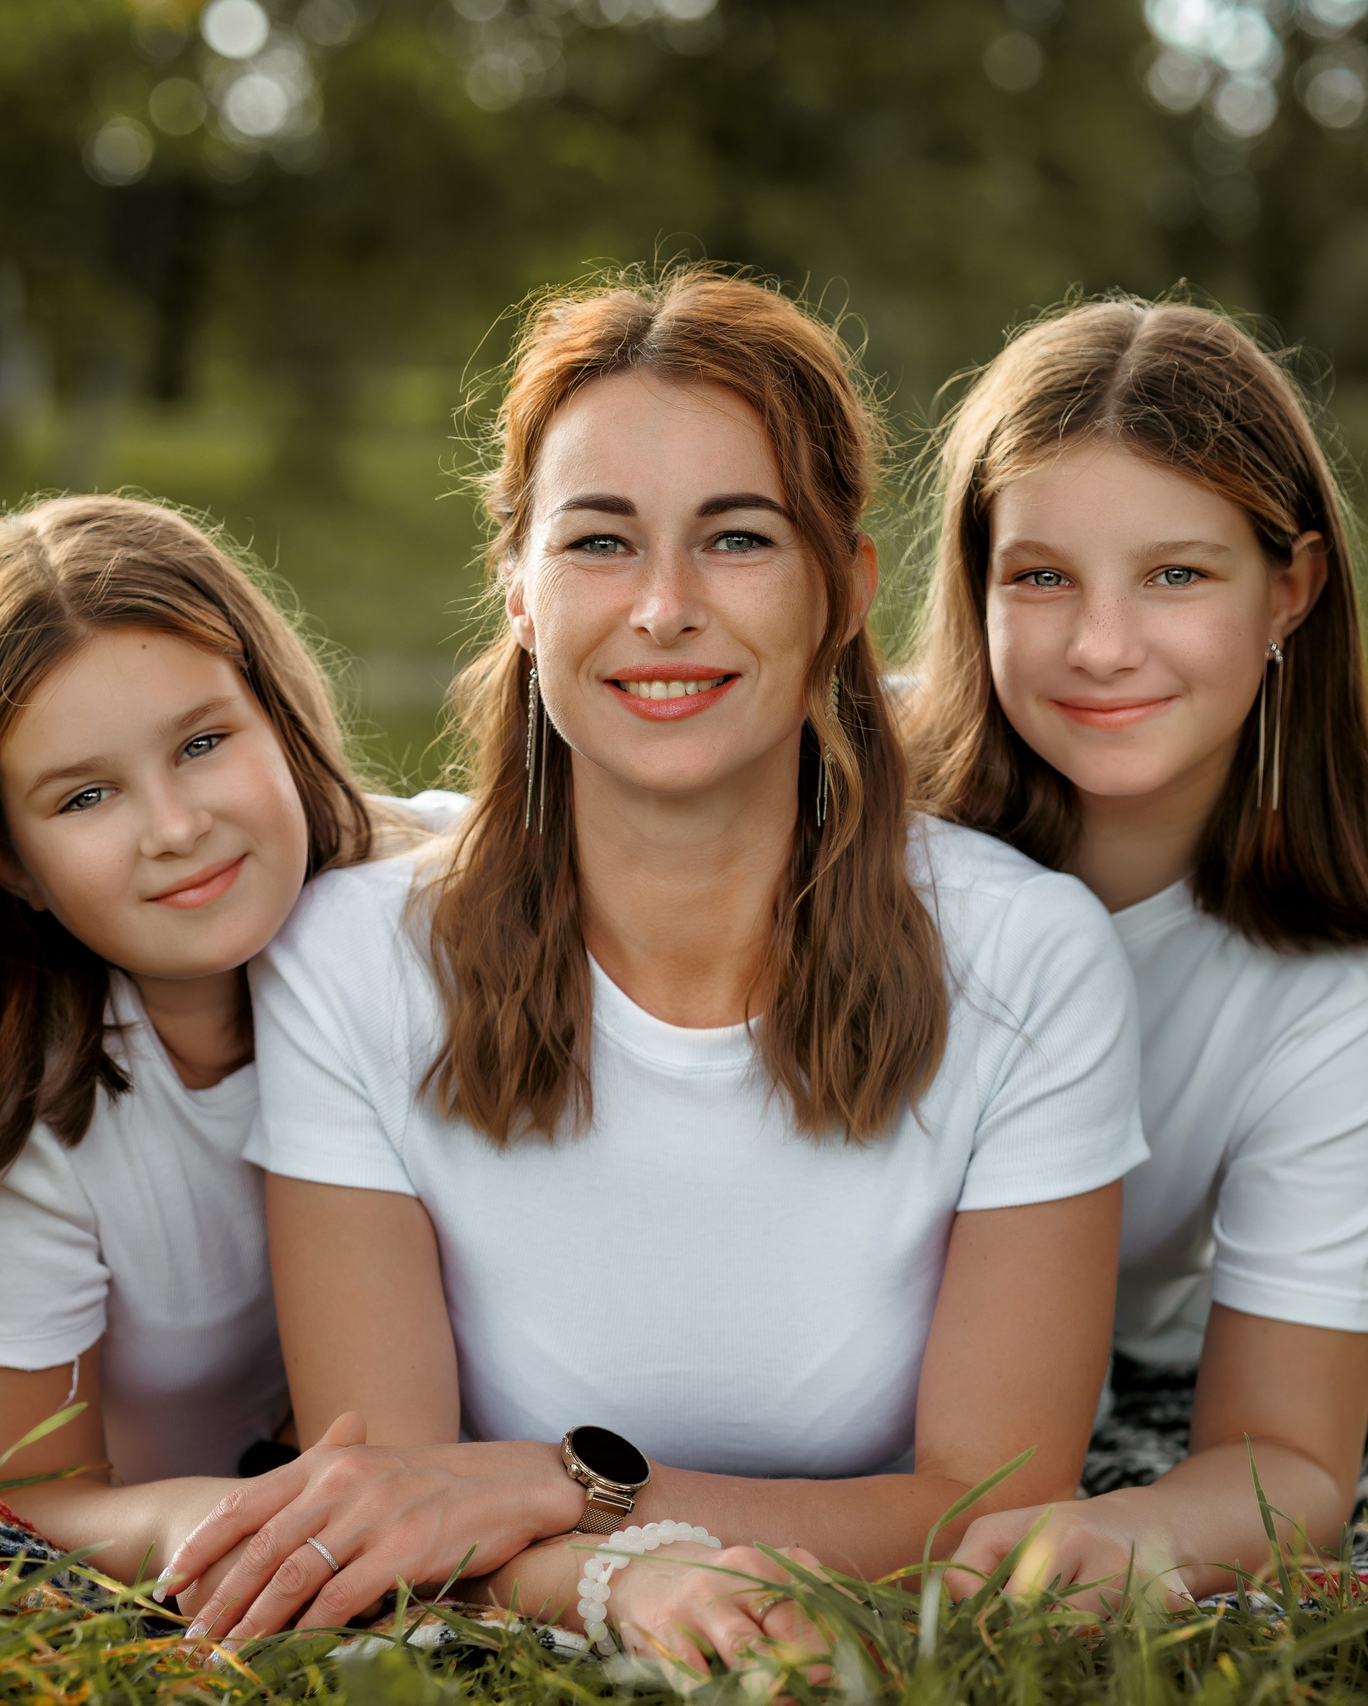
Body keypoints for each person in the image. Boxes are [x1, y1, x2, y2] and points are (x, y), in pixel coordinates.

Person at [160, 270, 1148, 1671]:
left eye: (738, 539)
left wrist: (555, 1488)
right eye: (601, 542)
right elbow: (394, 1503)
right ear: (517, 584)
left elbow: (992, 1507)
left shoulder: (1029, 961)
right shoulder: (349, 963)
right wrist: (618, 1576)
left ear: (845, 588)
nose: (666, 607)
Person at [0, 495, 448, 1585]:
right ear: (4, 859)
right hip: (39, 1417)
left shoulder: (436, 891)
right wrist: (221, 1517)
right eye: (85, 796)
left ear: (281, 718)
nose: (176, 826)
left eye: (205, 742)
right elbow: (24, 1504)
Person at [904, 298, 1368, 1608]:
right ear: (974, 586)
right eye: (1041, 576)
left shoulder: (1341, 986)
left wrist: (1137, 1535)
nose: (1100, 644)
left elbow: (1291, 1457)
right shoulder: (854, 800)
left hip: (1085, 1387)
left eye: (1176, 573)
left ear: (1291, 588)